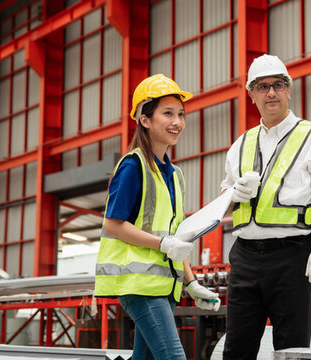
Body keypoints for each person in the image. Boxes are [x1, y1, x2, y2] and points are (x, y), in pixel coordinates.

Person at [220, 54, 311, 359]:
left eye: (278, 85)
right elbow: (225, 201)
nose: (271, 93)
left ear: (289, 90)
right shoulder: (241, 143)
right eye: (262, 87)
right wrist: (234, 193)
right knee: (236, 350)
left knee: (291, 350)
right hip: (245, 259)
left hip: (293, 258)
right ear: (251, 95)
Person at [94, 74, 221, 360]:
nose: (177, 122)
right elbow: (113, 224)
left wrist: (191, 283)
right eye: (167, 114)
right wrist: (162, 246)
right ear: (145, 120)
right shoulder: (133, 166)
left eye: (181, 114)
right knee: (172, 356)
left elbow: (175, 238)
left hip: (165, 286)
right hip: (137, 285)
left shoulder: (176, 176)